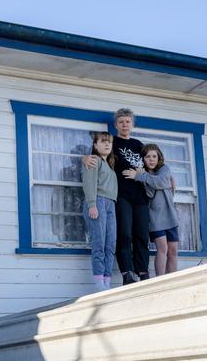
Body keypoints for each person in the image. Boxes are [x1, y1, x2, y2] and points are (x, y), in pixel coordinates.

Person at [84, 108, 149, 285]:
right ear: (116, 125)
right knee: (125, 235)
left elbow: (152, 162)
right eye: (121, 122)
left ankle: (143, 273)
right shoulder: (112, 143)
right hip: (121, 196)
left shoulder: (138, 145)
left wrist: (167, 176)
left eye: (128, 121)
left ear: (133, 124)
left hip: (141, 196)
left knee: (142, 236)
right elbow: (95, 157)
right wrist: (84, 158)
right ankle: (127, 273)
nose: (125, 124)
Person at [123, 144, 179, 276]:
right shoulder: (144, 173)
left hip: (171, 217)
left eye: (154, 156)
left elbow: (160, 182)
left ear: (159, 157)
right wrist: (145, 178)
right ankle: (160, 281)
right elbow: (150, 194)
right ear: (143, 159)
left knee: (173, 251)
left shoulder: (165, 169)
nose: (151, 159)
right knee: (162, 249)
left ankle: (172, 281)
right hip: (155, 218)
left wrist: (140, 177)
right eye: (148, 157)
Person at [81, 132, 118, 291]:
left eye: (109, 142)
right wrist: (92, 204)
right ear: (95, 145)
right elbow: (89, 183)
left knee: (110, 244)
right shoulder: (94, 160)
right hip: (98, 201)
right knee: (99, 243)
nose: (107, 144)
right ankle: (99, 284)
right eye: (103, 142)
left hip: (110, 204)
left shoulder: (108, 164)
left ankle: (107, 281)